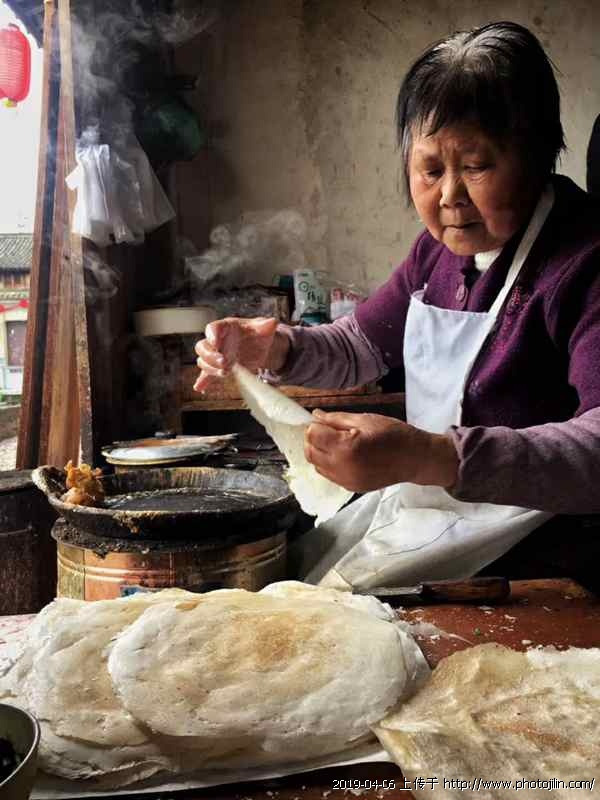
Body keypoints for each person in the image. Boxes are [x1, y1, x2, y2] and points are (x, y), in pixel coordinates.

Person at [194, 21, 600, 591]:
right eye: (430, 170)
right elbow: (360, 345)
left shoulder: (584, 260)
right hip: (437, 513)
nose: (450, 196)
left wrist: (431, 457)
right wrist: (277, 348)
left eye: (476, 167)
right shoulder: (436, 253)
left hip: (545, 555)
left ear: (538, 156)